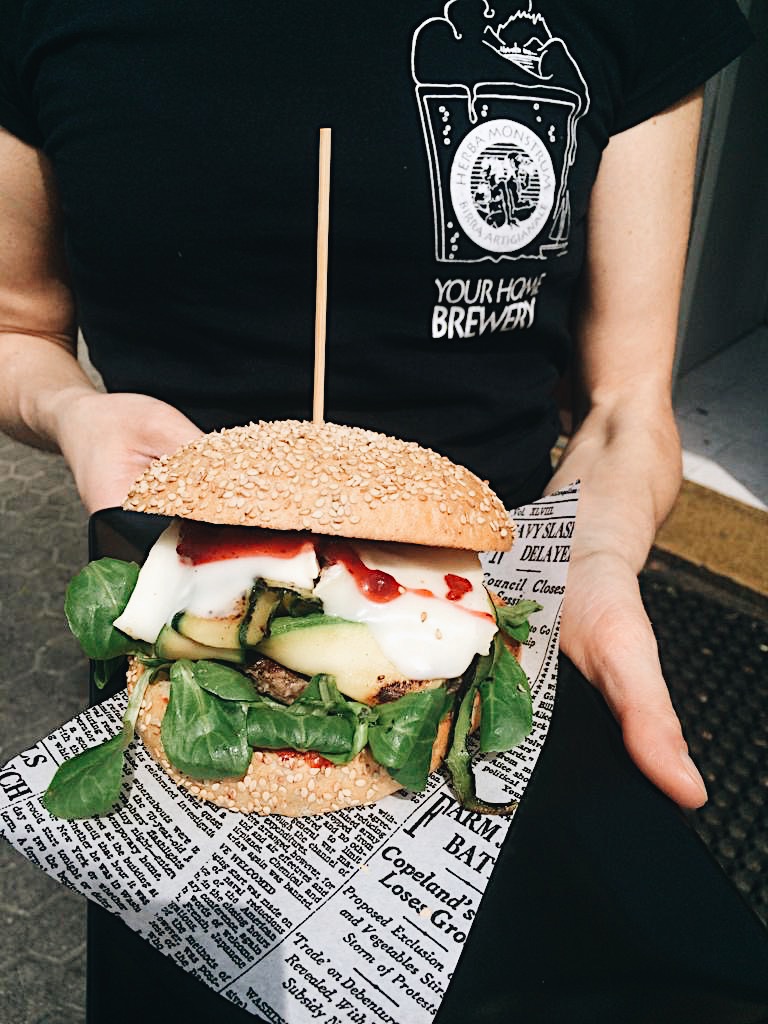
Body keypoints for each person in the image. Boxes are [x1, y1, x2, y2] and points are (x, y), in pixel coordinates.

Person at [0, 0, 752, 814]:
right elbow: (16, 327)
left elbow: (627, 404)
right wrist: (72, 412)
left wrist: (593, 550)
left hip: (502, 599)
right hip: (182, 576)